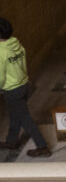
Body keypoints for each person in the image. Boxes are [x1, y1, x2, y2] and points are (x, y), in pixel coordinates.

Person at [0, 17, 51, 157]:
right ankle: (11, 141)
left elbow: (0, 76)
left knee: (26, 119)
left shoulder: (1, 52)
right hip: (23, 85)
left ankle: (42, 147)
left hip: (12, 90)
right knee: (15, 114)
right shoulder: (16, 43)